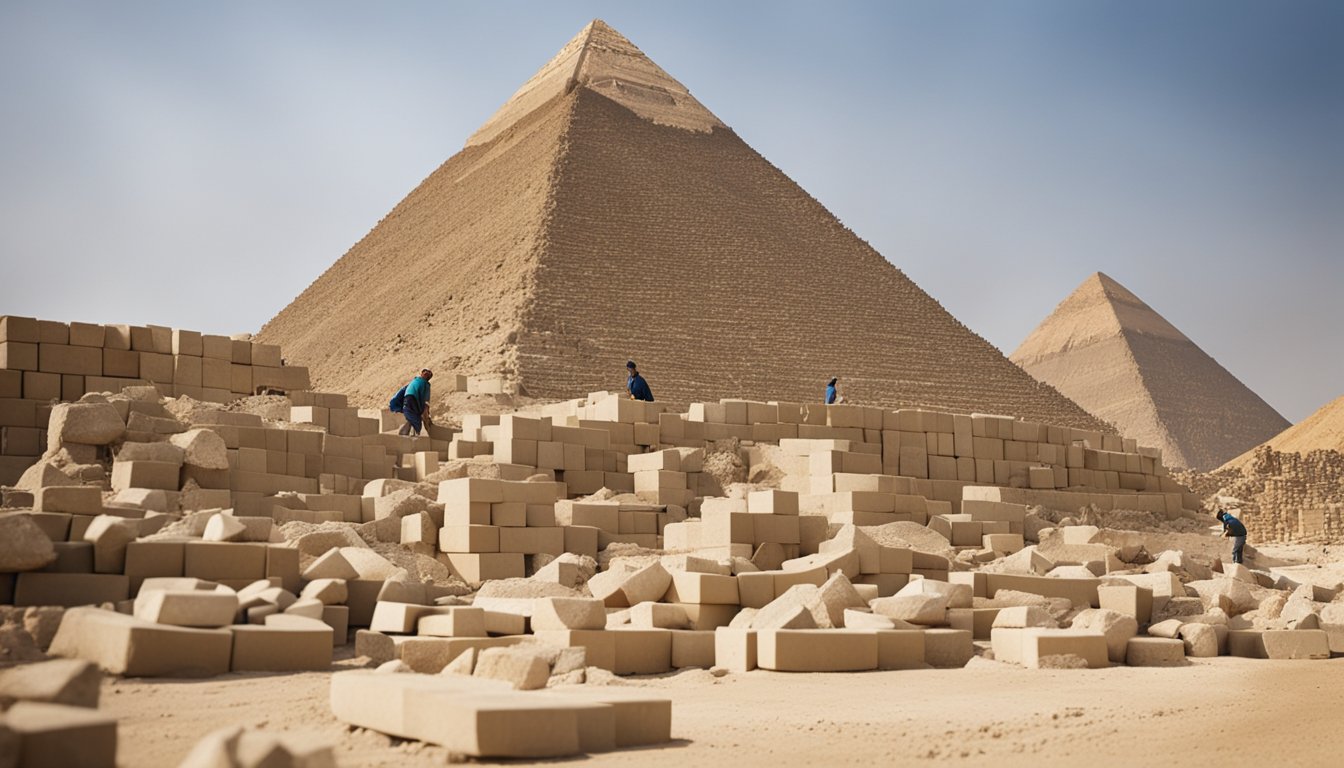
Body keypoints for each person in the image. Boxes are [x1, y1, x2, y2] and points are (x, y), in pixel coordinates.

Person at [390, 369, 433, 436]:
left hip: (408, 401)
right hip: (411, 401)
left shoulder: (415, 381)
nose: (425, 374)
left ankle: (409, 434)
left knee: (413, 418)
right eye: (425, 372)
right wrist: (426, 414)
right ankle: (415, 435)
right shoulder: (425, 384)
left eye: (427, 374)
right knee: (416, 420)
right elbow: (426, 402)